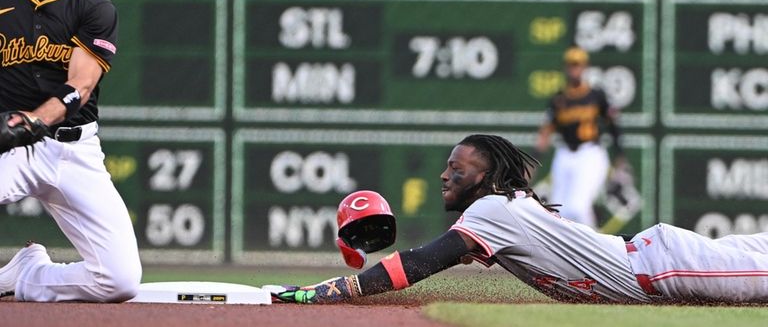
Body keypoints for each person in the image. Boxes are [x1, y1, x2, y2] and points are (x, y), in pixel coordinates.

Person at [271, 134, 768, 304]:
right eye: (447, 167)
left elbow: (422, 262)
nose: (445, 177)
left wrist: (332, 290)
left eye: (457, 169)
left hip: (661, 268)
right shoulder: (500, 213)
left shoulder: (492, 212)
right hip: (657, 262)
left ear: (486, 178)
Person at [0, 0, 141, 302]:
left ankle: (27, 277)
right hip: (12, 151)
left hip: (73, 150)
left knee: (120, 281)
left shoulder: (94, 7)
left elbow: (79, 86)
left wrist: (32, 120)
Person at [534, 46, 624, 228]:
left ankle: (594, 250)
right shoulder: (558, 98)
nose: (574, 69)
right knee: (558, 212)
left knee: (577, 208)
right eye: (571, 65)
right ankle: (565, 254)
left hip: (589, 154)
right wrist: (534, 161)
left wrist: (620, 157)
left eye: (578, 65)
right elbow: (545, 133)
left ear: (584, 67)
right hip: (565, 154)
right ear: (566, 67)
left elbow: (613, 126)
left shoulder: (595, 95)